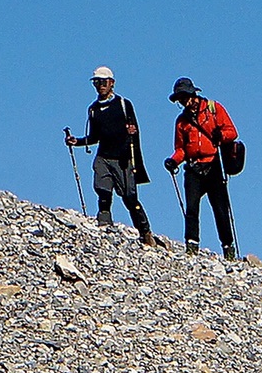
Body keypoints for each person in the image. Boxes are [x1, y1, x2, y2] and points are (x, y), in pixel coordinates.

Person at [65, 67, 154, 244]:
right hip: (104, 157)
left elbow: (134, 131)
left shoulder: (123, 104)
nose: (100, 86)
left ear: (111, 83)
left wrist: (133, 152)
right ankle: (104, 225)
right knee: (103, 191)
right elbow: (94, 137)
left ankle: (145, 231)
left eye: (103, 82)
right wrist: (78, 142)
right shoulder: (93, 110)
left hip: (123, 158)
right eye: (97, 83)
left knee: (130, 197)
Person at [164, 76, 239, 258]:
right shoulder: (181, 122)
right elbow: (181, 149)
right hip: (193, 169)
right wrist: (174, 160)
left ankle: (228, 249)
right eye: (179, 99)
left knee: (221, 210)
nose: (181, 102)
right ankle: (191, 247)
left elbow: (233, 132)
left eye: (183, 97)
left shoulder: (214, 109)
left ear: (192, 95)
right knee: (191, 209)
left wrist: (220, 135)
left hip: (213, 166)